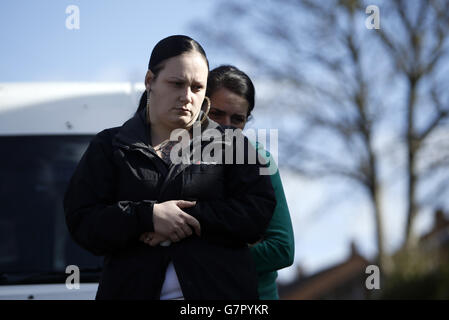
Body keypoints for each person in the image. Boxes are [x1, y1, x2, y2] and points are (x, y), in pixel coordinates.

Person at [63, 36, 276, 300]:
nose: (187, 97)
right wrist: (147, 216)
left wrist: (190, 217)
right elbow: (82, 220)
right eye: (177, 84)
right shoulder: (109, 146)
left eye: (198, 88)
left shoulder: (233, 144)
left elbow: (258, 212)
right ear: (150, 80)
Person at [206, 65, 294, 300]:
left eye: (237, 119)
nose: (226, 126)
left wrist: (205, 260)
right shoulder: (177, 157)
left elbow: (281, 249)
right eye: (216, 114)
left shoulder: (259, 160)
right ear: (200, 108)